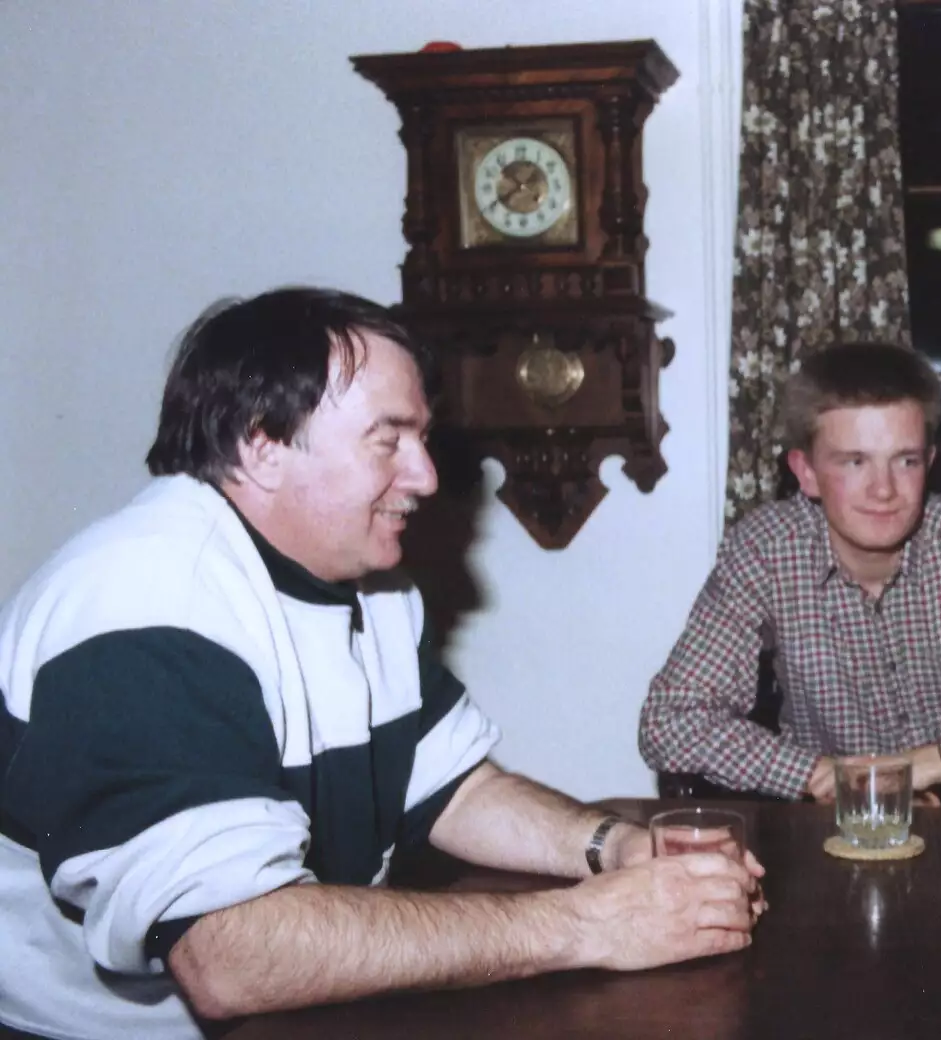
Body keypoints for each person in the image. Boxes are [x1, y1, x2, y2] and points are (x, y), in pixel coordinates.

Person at [0, 288, 761, 1040]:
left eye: (421, 439)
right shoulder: (144, 606)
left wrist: (614, 847)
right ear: (262, 447)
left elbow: (455, 790)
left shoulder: (370, 581)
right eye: (388, 439)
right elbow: (231, 956)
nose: (427, 476)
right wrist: (584, 925)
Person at [638, 341, 941, 802]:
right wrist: (821, 776)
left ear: (929, 460)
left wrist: (929, 766)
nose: (884, 490)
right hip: (824, 827)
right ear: (806, 473)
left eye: (904, 461)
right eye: (855, 462)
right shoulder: (765, 550)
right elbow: (670, 722)